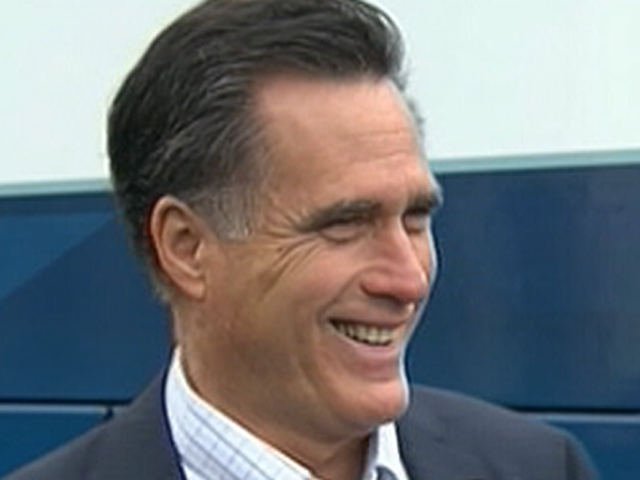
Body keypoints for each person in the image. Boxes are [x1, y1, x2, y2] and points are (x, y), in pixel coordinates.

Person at [4, 0, 599, 479]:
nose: (408, 280)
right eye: (345, 225)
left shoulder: (539, 467)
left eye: (415, 219)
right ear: (187, 248)